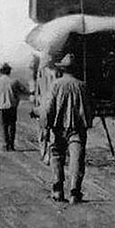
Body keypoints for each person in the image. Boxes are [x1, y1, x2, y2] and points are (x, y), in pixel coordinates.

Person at [40, 53, 93, 204]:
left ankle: (57, 190)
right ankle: (75, 193)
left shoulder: (56, 85)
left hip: (58, 128)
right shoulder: (82, 85)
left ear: (62, 70)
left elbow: (49, 107)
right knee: (77, 159)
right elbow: (90, 109)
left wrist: (46, 125)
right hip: (77, 129)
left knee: (57, 156)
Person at [0, 63, 26, 152]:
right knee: (12, 126)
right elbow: (24, 90)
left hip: (1, 107)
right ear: (9, 71)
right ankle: (11, 145)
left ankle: (5, 145)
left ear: (1, 71)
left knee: (4, 126)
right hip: (12, 106)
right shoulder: (14, 81)